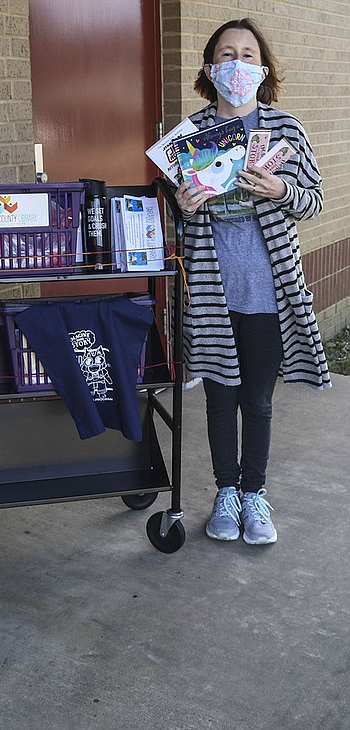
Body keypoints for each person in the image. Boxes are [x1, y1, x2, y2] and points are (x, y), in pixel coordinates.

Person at [174, 18, 330, 545]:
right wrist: (183, 205)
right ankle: (225, 493)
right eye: (226, 54)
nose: (236, 65)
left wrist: (280, 190)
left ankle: (255, 493)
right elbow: (172, 221)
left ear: (262, 69)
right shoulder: (189, 137)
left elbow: (314, 202)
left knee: (258, 400)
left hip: (268, 289)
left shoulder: (285, 131)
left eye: (247, 55)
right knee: (219, 398)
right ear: (209, 67)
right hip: (214, 293)